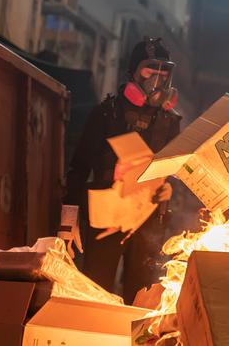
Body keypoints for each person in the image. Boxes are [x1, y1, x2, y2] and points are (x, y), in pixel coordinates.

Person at [61, 37, 181, 303]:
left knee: (139, 297)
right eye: (150, 72)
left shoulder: (170, 122)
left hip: (148, 220)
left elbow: (175, 170)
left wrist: (170, 189)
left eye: (164, 74)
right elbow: (78, 168)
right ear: (133, 73)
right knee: (95, 291)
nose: (157, 81)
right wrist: (68, 220)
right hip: (106, 217)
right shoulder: (107, 113)